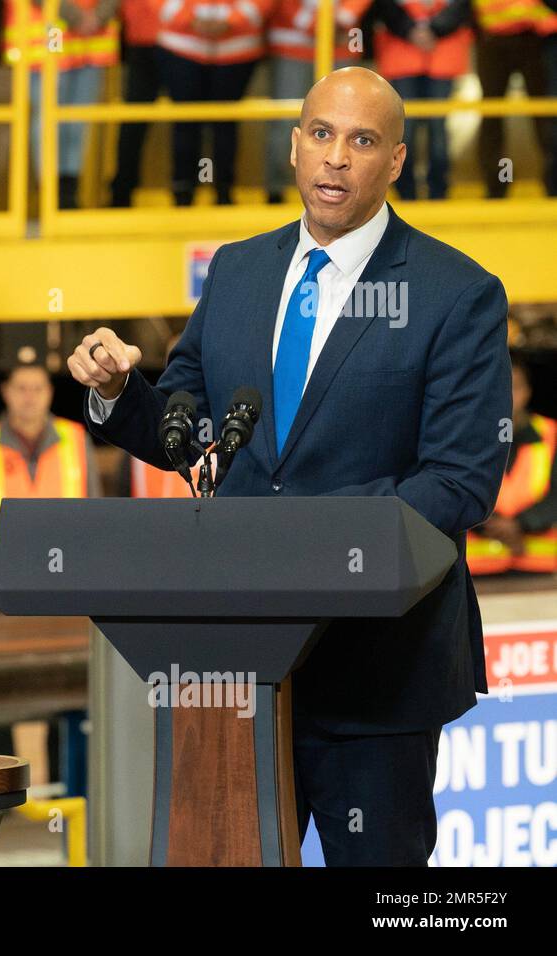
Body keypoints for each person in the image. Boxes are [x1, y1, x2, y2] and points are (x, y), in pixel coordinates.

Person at [68, 67, 512, 865]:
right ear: (295, 144)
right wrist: (117, 393)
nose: (336, 157)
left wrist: (313, 547)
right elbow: (189, 428)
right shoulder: (239, 270)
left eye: (362, 140)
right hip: (234, 670)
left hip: (377, 678)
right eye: (321, 133)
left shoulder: (456, 293)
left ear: (397, 160)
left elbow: (460, 480)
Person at [0, 361, 101, 784]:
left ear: (50, 393)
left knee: (67, 694)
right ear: (6, 393)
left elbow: (95, 522)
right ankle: (2, 789)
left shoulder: (76, 440)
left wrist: (95, 591)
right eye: (21, 388)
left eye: (37, 388)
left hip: (64, 594)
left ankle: (66, 789)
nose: (29, 396)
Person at [4, 0, 121, 208]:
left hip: (91, 41)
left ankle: (68, 194)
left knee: (77, 123)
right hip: (52, 31)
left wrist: (98, 16)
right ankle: (51, 195)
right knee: (49, 121)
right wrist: (77, 17)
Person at [155, 0, 273, 205]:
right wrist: (189, 19)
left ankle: (223, 191)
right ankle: (184, 192)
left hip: (237, 49)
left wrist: (232, 20)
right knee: (186, 124)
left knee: (224, 126)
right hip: (181, 46)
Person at [264, 0, 372, 204]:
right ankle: (276, 191)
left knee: (348, 122)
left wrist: (343, 18)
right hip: (293, 47)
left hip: (340, 46)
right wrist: (323, 24)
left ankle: (343, 189)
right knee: (285, 122)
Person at [372, 0, 472, 200]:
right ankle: (407, 191)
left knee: (436, 128)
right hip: (404, 56)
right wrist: (416, 31)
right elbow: (385, 7)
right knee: (405, 130)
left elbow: (462, 6)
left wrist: (429, 30)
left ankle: (437, 192)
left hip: (440, 56)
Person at [467, 355, 557, 573]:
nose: (507, 396)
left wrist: (522, 524)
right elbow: (457, 489)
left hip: (539, 568)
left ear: (527, 392)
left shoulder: (551, 433)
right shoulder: (467, 435)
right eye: (499, 387)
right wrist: (491, 525)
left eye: (514, 387)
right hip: (478, 569)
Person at [472, 0, 557, 198]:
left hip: (536, 37)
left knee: (545, 116)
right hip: (494, 38)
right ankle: (498, 184)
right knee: (493, 116)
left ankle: (552, 184)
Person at [109, 0, 164, 207]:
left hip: (187, 38)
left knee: (192, 123)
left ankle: (189, 191)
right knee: (134, 123)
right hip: (145, 37)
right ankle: (122, 193)